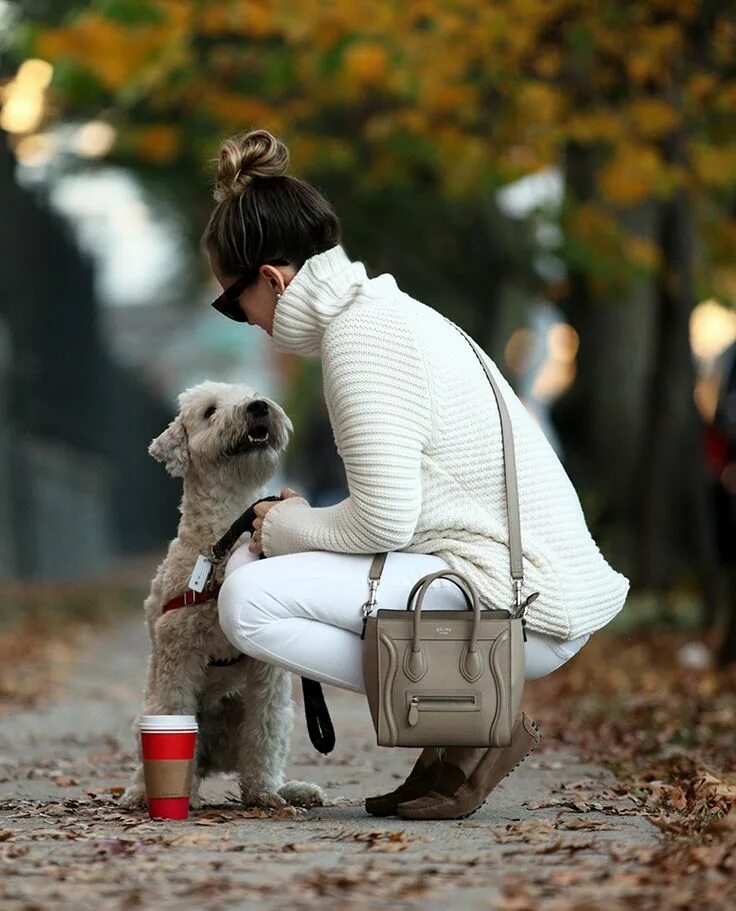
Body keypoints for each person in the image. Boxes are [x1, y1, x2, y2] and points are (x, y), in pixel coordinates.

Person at [203, 128, 631, 820]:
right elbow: (396, 504)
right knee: (262, 573)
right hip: (515, 578)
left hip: (522, 602)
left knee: (248, 597)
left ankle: (466, 721)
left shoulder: (360, 338)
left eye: (232, 300)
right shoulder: (382, 314)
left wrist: (285, 526)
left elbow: (384, 522)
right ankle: (447, 741)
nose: (241, 319)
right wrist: (298, 523)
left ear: (274, 280)